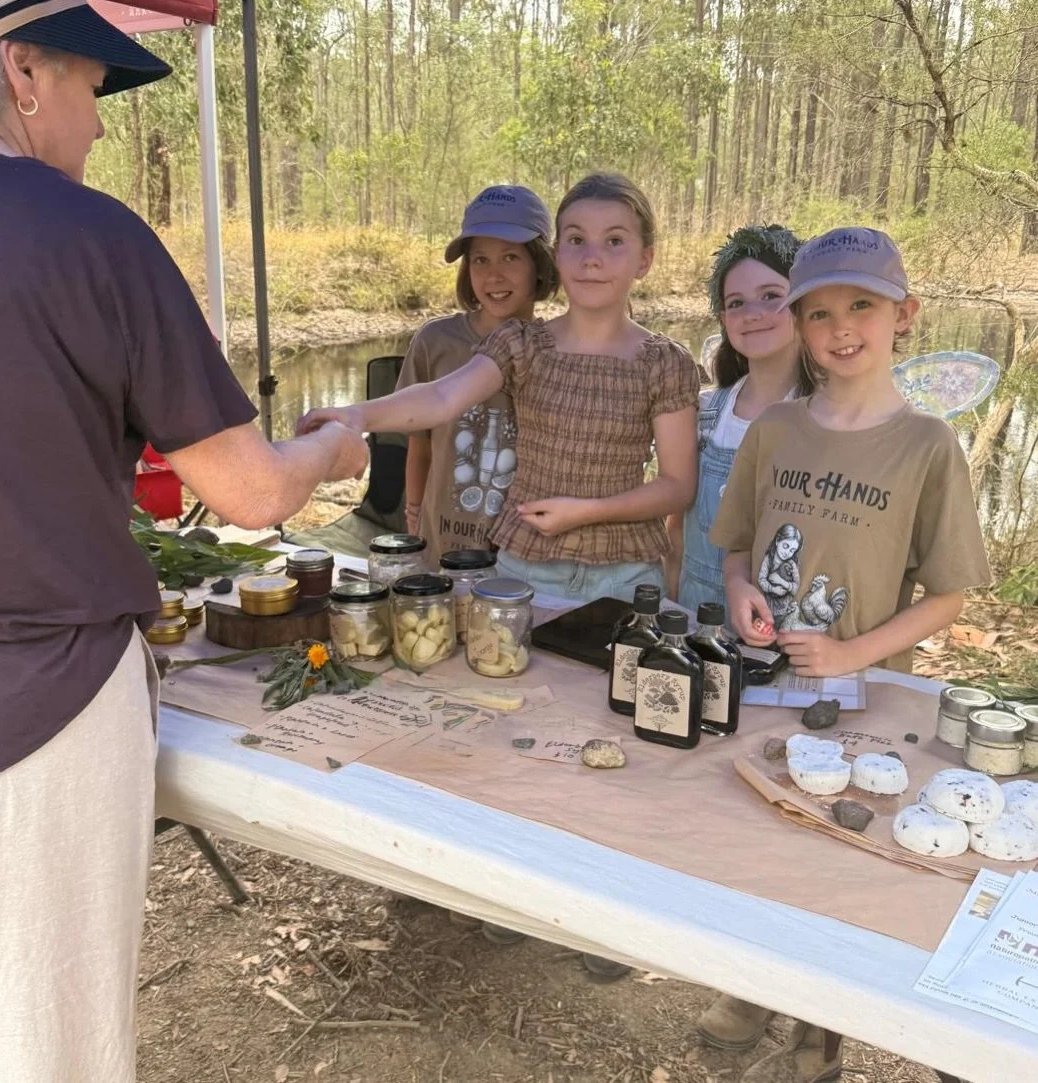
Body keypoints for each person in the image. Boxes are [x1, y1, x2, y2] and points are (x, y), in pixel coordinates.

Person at [0, 4, 368, 1081]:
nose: (99, 129)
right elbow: (248, 494)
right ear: (24, 67)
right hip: (30, 712)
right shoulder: (86, 235)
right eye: (95, 90)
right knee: (37, 1048)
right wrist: (333, 447)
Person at [707, 227, 991, 1082]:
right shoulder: (775, 429)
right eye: (819, 311)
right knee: (759, 834)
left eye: (860, 306)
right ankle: (752, 983)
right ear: (797, 324)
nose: (839, 329)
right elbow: (733, 547)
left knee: (834, 849)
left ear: (902, 314)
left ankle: (818, 1026)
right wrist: (738, 592)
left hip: (860, 694)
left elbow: (946, 596)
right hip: (765, 683)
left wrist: (849, 654)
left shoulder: (926, 446)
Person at [300, 172, 700, 604]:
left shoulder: (666, 362)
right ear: (557, 254)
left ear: (645, 259)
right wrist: (357, 415)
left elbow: (677, 486)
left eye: (615, 241)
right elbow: (440, 396)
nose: (592, 258)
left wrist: (588, 512)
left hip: (626, 577)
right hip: (526, 570)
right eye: (577, 240)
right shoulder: (521, 344)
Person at [397, 184, 558, 555]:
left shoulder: (555, 346)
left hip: (524, 549)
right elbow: (419, 443)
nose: (494, 276)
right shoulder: (435, 341)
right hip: (444, 539)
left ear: (540, 264)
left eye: (511, 258)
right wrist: (414, 511)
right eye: (480, 260)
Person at [666, 224, 813, 607]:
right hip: (699, 619)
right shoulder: (704, 414)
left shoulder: (828, 420)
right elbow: (677, 529)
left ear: (803, 305)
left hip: (782, 630)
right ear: (723, 319)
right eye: (736, 303)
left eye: (771, 296)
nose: (753, 314)